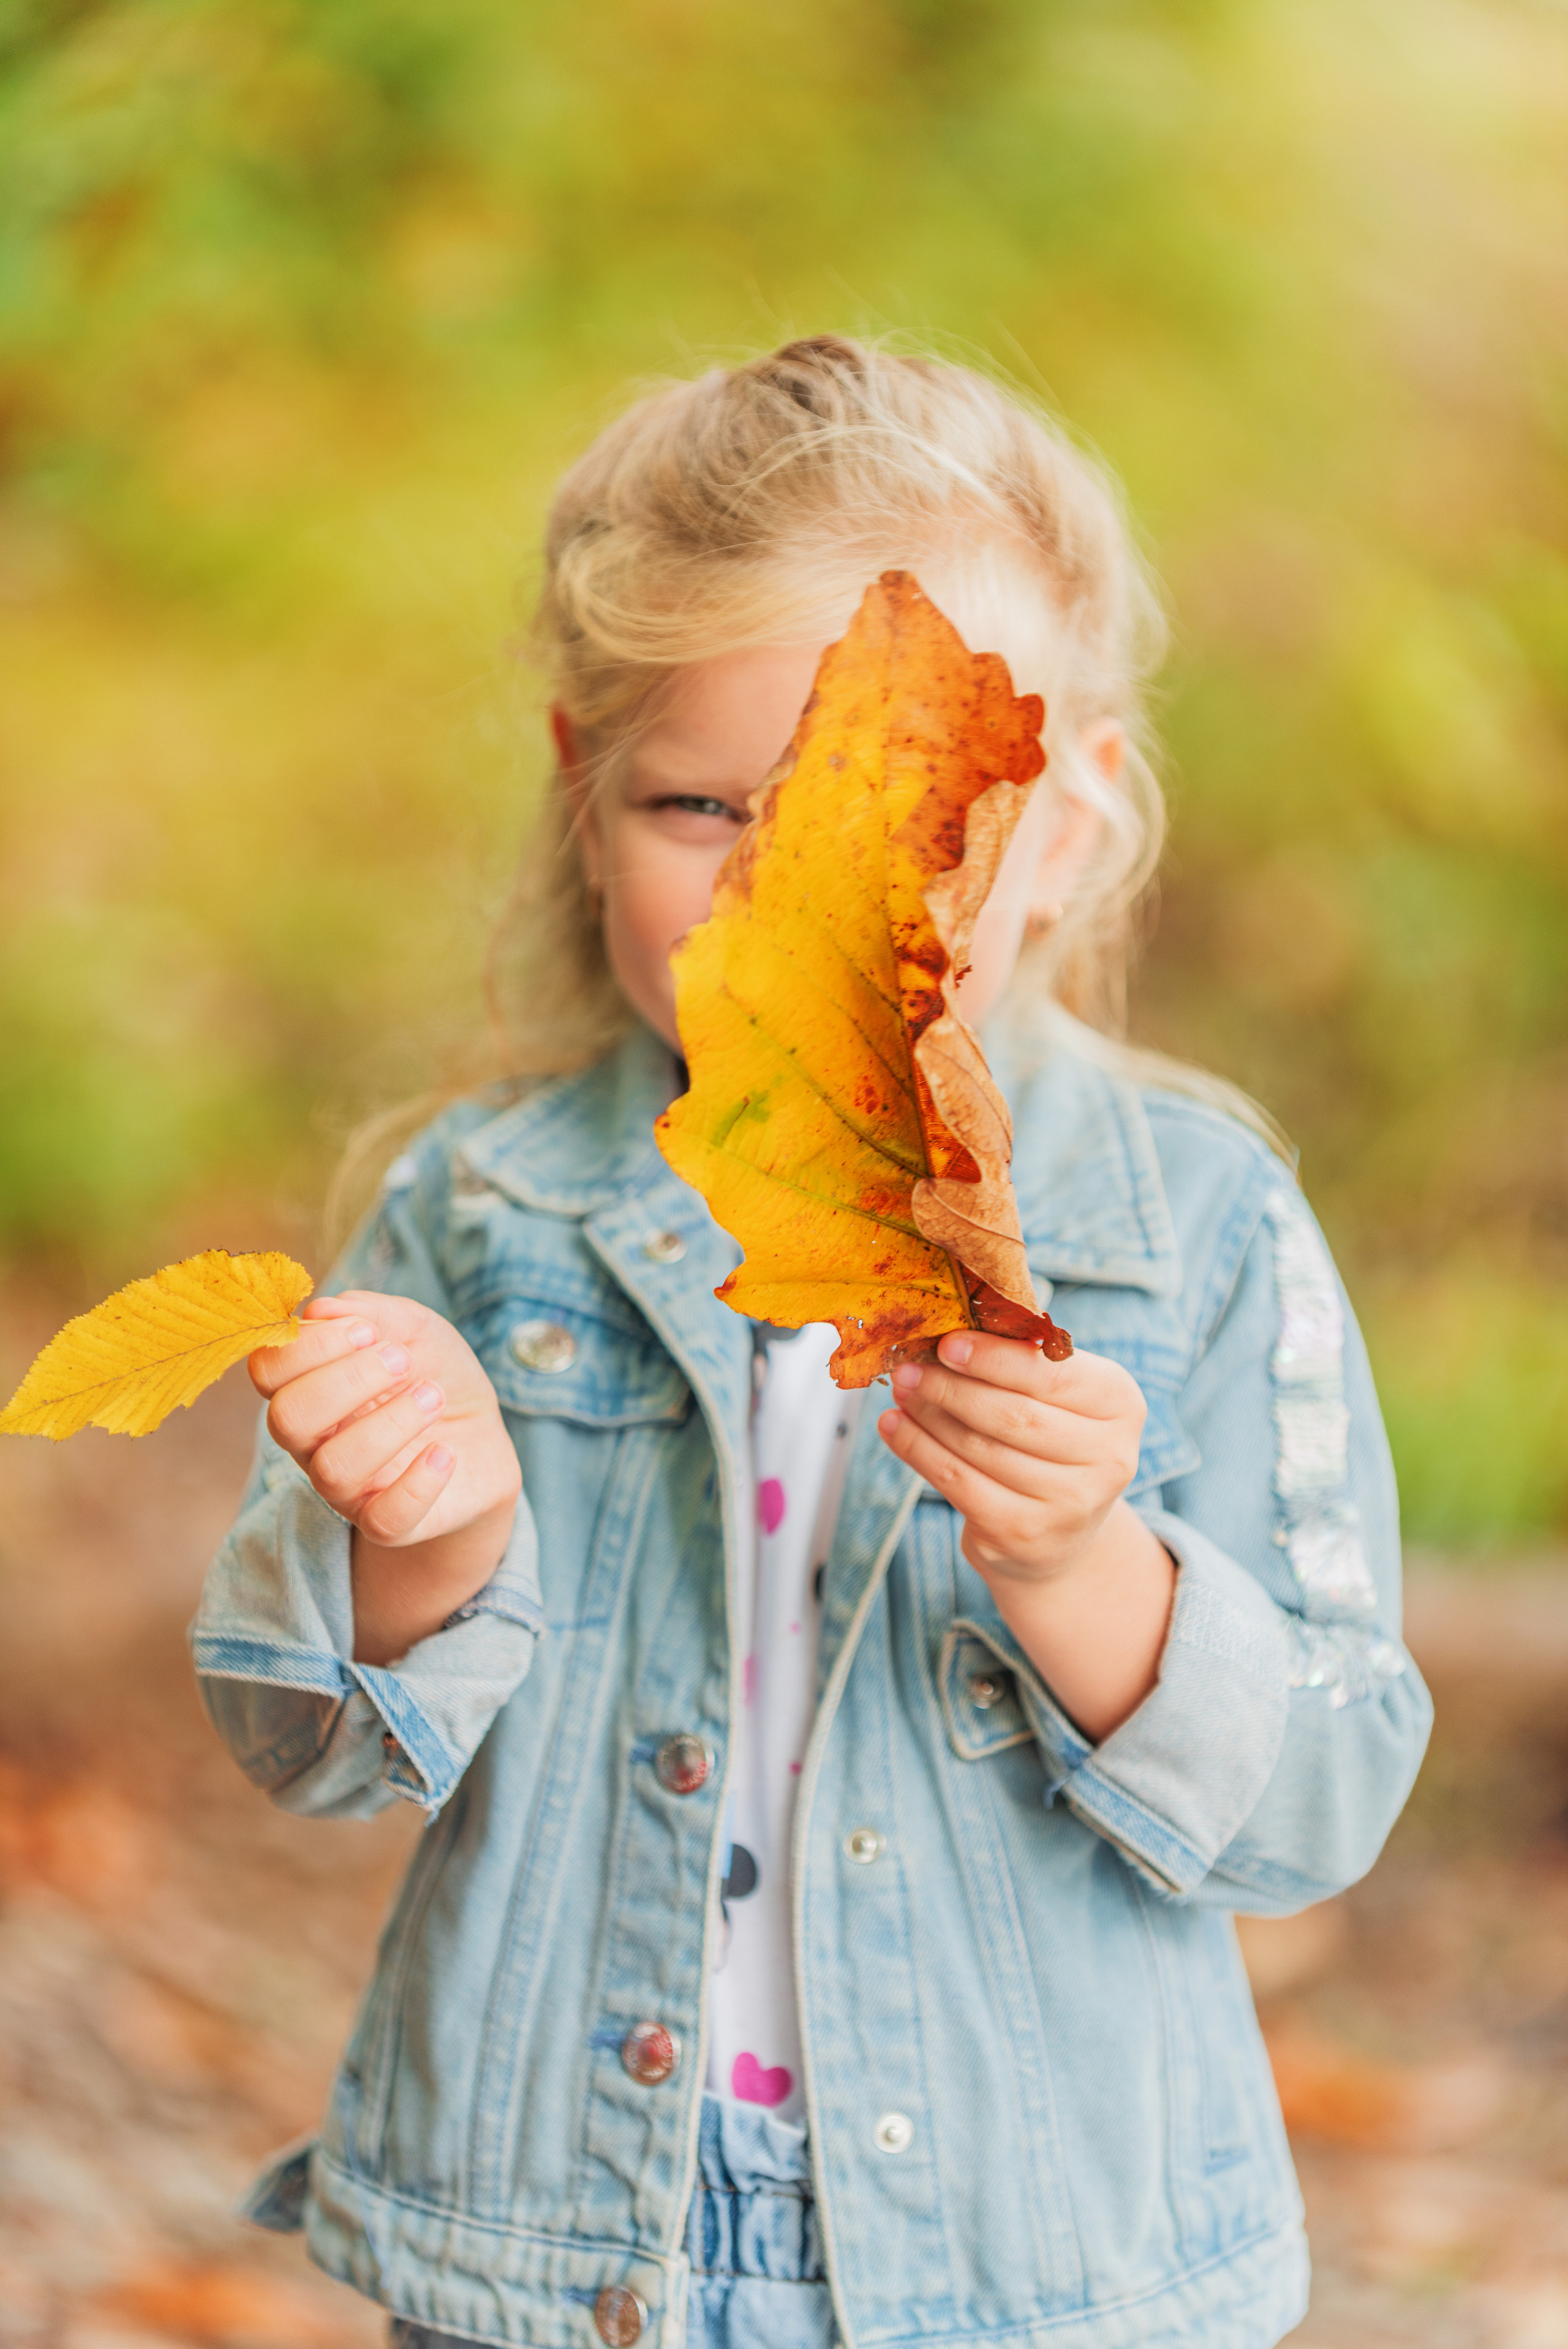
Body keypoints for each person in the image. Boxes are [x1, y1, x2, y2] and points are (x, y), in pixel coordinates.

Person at [191, 336, 1433, 2349]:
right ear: (584, 796)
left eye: (894, 816)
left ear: (1075, 813)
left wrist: (1082, 1567)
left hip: (1038, 2260)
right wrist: (422, 1536)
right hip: (564, 2243)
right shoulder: (491, 1219)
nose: (794, 906)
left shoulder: (1193, 1225)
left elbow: (1315, 1802)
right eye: (705, 808)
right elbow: (304, 1747)